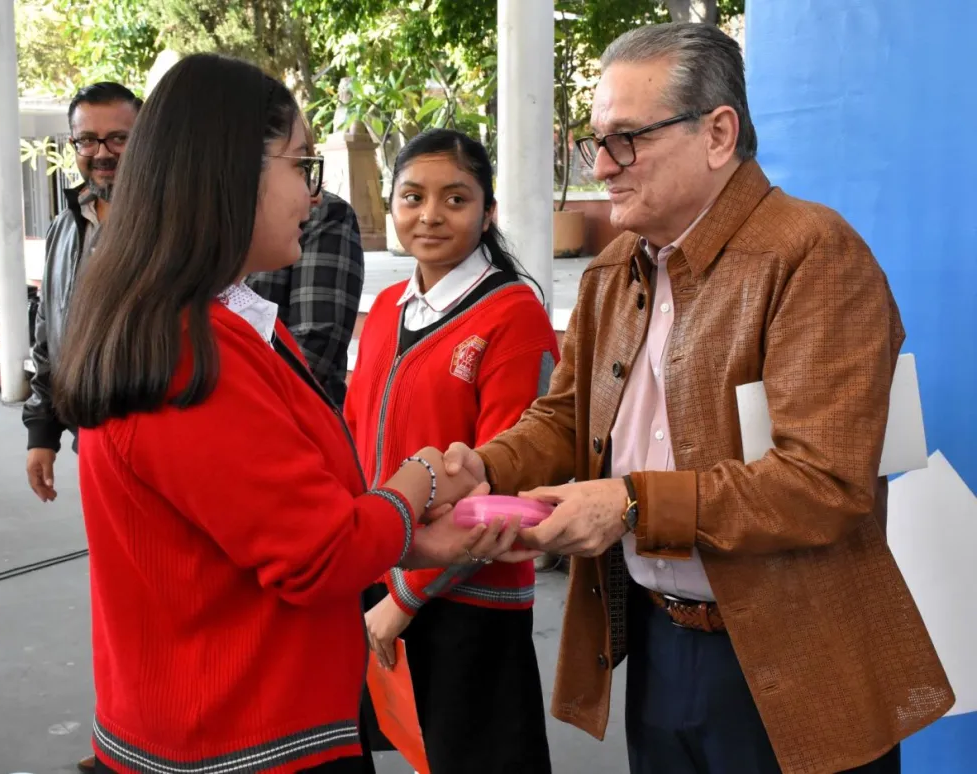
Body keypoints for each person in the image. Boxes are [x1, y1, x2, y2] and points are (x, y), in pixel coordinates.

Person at [444, 22, 953, 774]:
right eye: (595, 143)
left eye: (627, 140)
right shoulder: (616, 268)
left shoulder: (812, 254)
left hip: (795, 657)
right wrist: (482, 471)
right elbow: (565, 416)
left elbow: (825, 482)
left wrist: (629, 506)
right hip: (661, 639)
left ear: (719, 133)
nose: (604, 167)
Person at [52, 54, 524, 774]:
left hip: (228, 718)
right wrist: (422, 478)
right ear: (230, 171)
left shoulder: (216, 323)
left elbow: (287, 521)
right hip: (245, 737)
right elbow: (319, 550)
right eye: (301, 164)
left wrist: (419, 540)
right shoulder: (191, 350)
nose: (315, 196)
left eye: (455, 199)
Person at [344, 129, 557, 774]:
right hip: (378, 575)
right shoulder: (386, 306)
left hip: (468, 597)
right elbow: (357, 434)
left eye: (455, 199)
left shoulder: (512, 316)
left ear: (488, 213)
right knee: (407, 747)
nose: (429, 215)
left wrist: (403, 600)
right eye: (412, 197)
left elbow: (507, 487)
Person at [23, 82, 142, 504]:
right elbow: (47, 335)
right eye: (87, 140)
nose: (103, 152)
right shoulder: (66, 225)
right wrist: (42, 431)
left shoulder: (173, 228)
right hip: (89, 441)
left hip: (156, 446)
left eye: (119, 138)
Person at [247, 179, 364, 408]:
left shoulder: (323, 212)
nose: (315, 196)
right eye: (299, 166)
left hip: (291, 416)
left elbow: (314, 347)